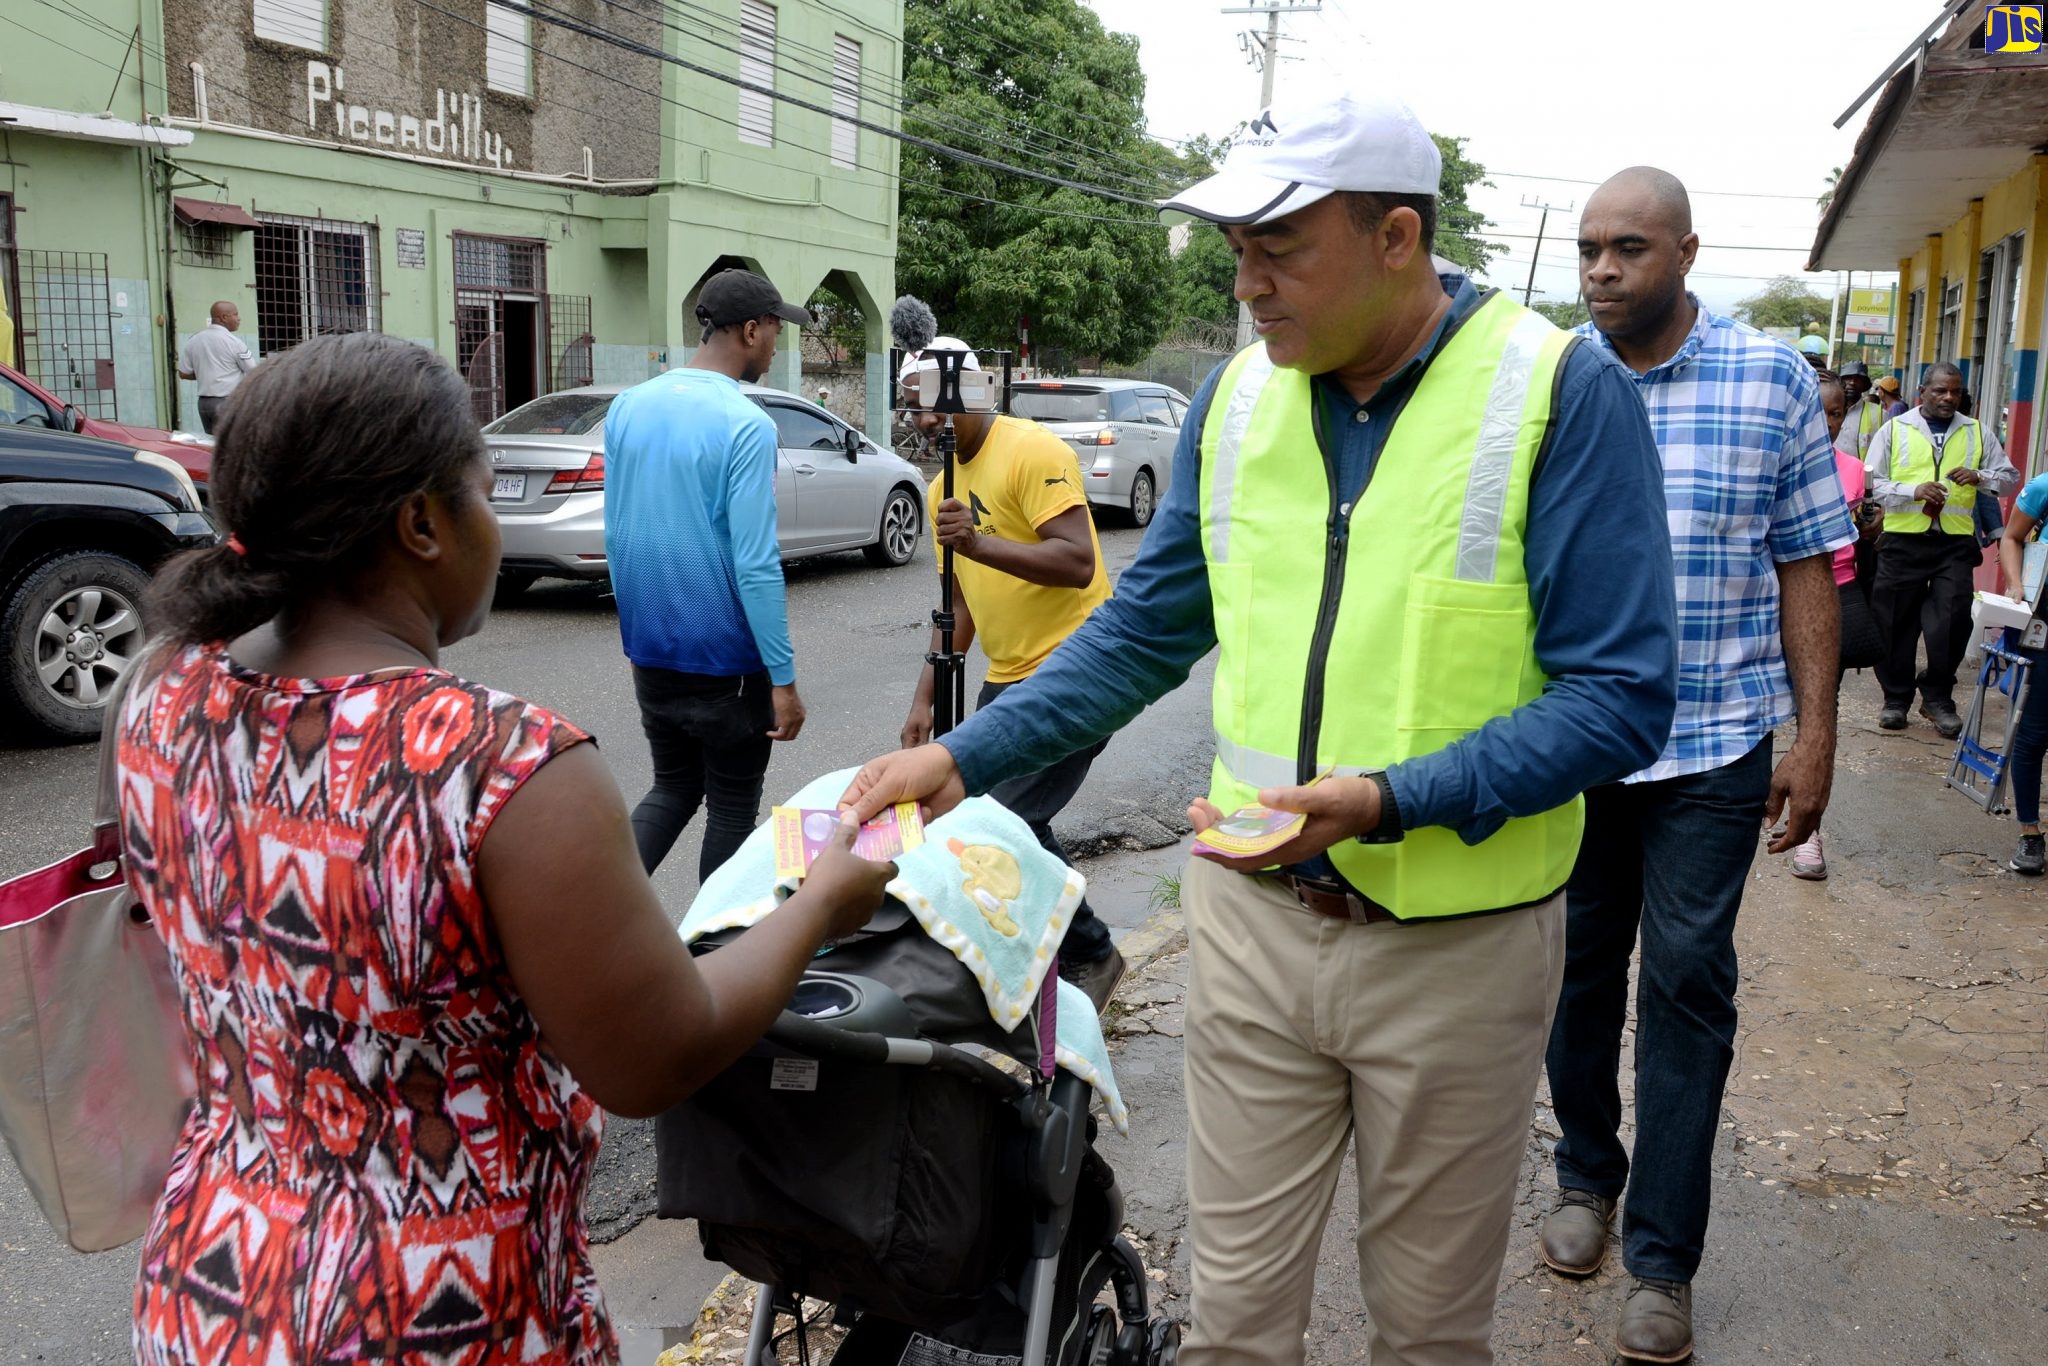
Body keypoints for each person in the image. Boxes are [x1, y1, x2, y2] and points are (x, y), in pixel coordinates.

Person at [841, 84, 1678, 1365]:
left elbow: (1617, 698)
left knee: (1427, 1332)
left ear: (1395, 238)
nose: (1246, 285)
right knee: (1233, 1323)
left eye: (1276, 249)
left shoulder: (1555, 391)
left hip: (1456, 953)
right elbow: (1136, 635)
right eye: (1236, 251)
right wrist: (962, 758)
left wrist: (1391, 801)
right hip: (1248, 929)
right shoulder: (1239, 402)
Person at [120, 332, 896, 1365]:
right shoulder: (498, 762)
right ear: (421, 524)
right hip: (437, 1314)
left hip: (210, 1284)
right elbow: (655, 1052)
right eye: (484, 492)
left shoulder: (165, 688)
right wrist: (820, 903)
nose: (493, 519)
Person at [1541, 168, 1853, 1363]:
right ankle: (1583, 1173)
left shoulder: (1768, 376)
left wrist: (1812, 736)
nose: (1601, 270)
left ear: (1683, 251)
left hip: (1713, 741)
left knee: (1682, 982)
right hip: (1572, 743)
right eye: (1587, 250)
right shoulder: (1552, 379)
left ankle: (1662, 1258)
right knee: (1573, 972)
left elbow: (1805, 562)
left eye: (1627, 247)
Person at [897, 343, 1126, 1008]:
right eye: (913, 407)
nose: (921, 419)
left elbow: (1078, 560)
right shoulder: (944, 487)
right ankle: (1051, 952)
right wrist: (925, 697)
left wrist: (977, 541)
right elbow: (961, 600)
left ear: (964, 393)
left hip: (1077, 663)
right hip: (1010, 675)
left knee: (1001, 819)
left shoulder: (1033, 452)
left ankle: (1089, 951)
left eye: (928, 403)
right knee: (985, 818)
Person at [603, 268, 813, 879]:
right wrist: (783, 679)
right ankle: (713, 962)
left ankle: (602, 925)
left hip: (651, 654)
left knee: (671, 788)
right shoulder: (748, 425)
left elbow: (619, 533)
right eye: (776, 331)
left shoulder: (627, 408)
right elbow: (754, 561)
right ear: (750, 330)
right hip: (728, 667)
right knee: (730, 809)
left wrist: (640, 631)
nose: (778, 346)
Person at [1863, 361, 2018, 737]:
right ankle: (1895, 699)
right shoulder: (1896, 428)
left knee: (1951, 621)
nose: (1949, 398)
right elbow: (1870, 482)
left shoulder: (1977, 431)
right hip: (1902, 540)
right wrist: (1911, 491)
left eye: (1955, 391)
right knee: (1895, 622)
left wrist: (1980, 476)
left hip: (1953, 543)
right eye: (1941, 391)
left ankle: (1937, 697)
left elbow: (2009, 478)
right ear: (1923, 392)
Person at [1998, 480, 2048, 874]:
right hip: (2044, 626)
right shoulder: (2044, 487)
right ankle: (2030, 832)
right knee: (2034, 731)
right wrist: (2017, 585)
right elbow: (2011, 538)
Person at [177, 299, 255, 433]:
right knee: (232, 444)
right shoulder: (234, 342)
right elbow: (254, 371)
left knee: (211, 445)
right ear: (224, 317)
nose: (239, 319)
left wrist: (206, 373)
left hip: (204, 404)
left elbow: (183, 373)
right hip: (227, 402)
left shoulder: (194, 340)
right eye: (235, 315)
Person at [1835, 360, 1883, 461]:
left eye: (1858, 379)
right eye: (1848, 378)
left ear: (1864, 385)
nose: (1852, 382)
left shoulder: (1879, 414)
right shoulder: (1827, 409)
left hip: (1861, 474)